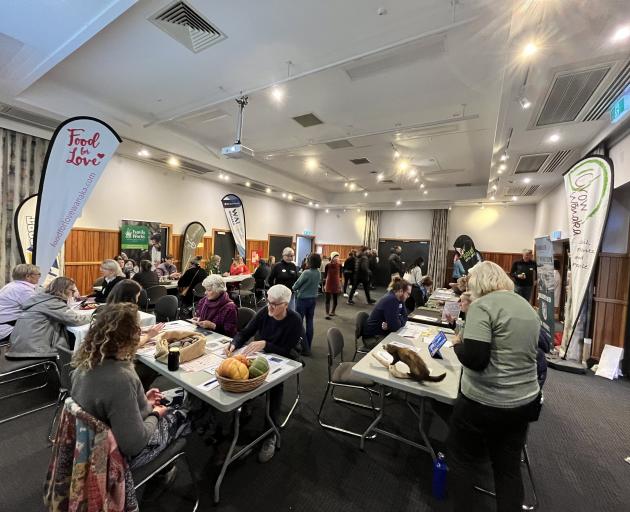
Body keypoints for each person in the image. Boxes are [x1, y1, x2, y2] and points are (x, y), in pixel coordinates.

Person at [447, 261, 541, 512]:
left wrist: (457, 345)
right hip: (524, 401)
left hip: (484, 402)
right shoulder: (526, 306)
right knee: (508, 469)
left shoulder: (482, 306)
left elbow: (476, 359)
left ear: (479, 282)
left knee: (462, 461)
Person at [71, 303, 189, 468]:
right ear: (132, 335)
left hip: (94, 442)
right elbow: (134, 445)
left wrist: (142, 402)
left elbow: (111, 407)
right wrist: (155, 414)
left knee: (175, 395)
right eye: (139, 328)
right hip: (119, 457)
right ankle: (167, 468)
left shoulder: (85, 363)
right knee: (188, 410)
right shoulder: (121, 378)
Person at [226, 285, 304, 463]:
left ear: (285, 305)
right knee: (243, 373)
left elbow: (287, 349)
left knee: (275, 386)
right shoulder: (264, 312)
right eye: (268, 302)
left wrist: (265, 345)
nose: (270, 307)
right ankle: (246, 404)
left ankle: (271, 433)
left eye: (274, 305)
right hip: (263, 354)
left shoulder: (295, 320)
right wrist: (234, 343)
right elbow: (245, 332)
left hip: (285, 356)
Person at [6, 277, 90, 358]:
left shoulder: (41, 299)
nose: (73, 293)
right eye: (72, 290)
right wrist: (94, 316)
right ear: (63, 290)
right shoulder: (53, 303)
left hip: (18, 347)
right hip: (33, 350)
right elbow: (75, 319)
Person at [106, 279, 165, 344]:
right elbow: (132, 344)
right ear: (131, 298)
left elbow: (121, 333)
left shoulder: (107, 310)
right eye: (137, 297)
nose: (137, 300)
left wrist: (141, 330)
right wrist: (149, 335)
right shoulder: (128, 314)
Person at [0, 264, 41, 343]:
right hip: (7, 330)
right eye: (38, 274)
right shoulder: (24, 290)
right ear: (28, 276)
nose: (39, 277)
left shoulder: (11, 286)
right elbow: (39, 309)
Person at [292, 253, 321, 356]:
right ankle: (308, 345)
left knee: (299, 323)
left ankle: (305, 348)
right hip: (313, 300)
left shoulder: (306, 273)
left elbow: (295, 286)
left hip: (302, 300)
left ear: (310, 261)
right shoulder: (318, 273)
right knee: (309, 323)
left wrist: (295, 287)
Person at [323, 252, 342, 319]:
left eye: (338, 257)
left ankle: (333, 311)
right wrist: (324, 285)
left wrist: (340, 285)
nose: (337, 258)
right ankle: (327, 313)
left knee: (335, 298)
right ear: (332, 257)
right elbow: (325, 276)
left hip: (336, 283)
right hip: (328, 283)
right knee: (327, 299)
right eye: (335, 257)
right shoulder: (328, 265)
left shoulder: (340, 265)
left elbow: (340, 276)